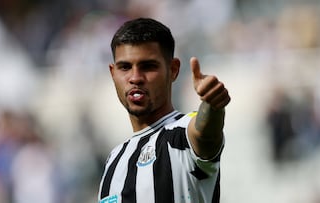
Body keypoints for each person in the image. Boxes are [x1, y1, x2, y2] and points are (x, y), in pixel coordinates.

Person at [98, 18, 230, 203]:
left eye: (148, 66)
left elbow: (204, 132)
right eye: (125, 67)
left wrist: (213, 105)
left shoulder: (182, 133)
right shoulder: (114, 159)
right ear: (113, 73)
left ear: (173, 69)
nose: (135, 77)